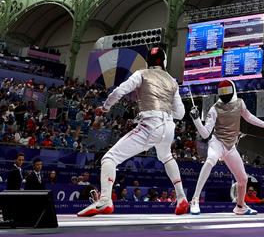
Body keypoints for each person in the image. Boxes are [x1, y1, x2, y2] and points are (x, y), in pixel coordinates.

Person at [78, 45, 189, 217]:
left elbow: (120, 90)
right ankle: (182, 198)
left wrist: (106, 107)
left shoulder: (141, 74)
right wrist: (164, 110)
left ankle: (106, 200)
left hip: (151, 125)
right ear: (164, 62)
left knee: (109, 158)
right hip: (168, 128)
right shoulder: (172, 81)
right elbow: (180, 113)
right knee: (166, 156)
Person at [188, 79, 264, 216]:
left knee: (243, 179)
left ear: (233, 90)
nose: (224, 94)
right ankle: (194, 200)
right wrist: (196, 120)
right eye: (221, 91)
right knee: (210, 160)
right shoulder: (215, 108)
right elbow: (205, 133)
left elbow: (249, 117)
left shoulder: (239, 103)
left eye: (226, 91)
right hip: (217, 143)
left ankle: (240, 206)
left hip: (231, 147)